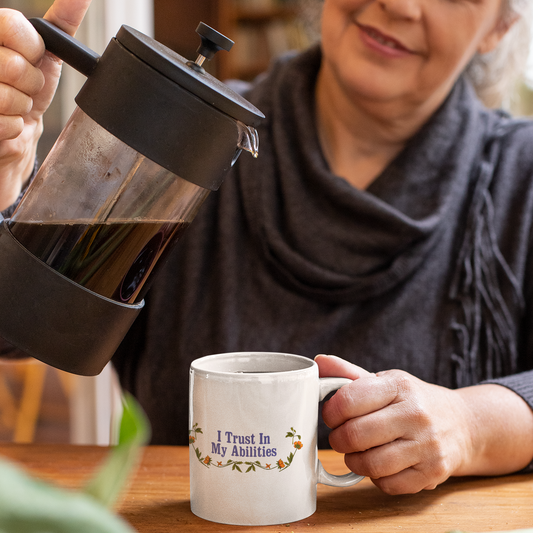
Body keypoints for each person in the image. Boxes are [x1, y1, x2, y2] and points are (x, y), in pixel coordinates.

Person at [1, 0, 533, 496]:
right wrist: (6, 190)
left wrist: (471, 425)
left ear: (499, 27)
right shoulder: (190, 136)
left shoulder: (520, 179)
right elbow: (15, 323)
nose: (398, 4)